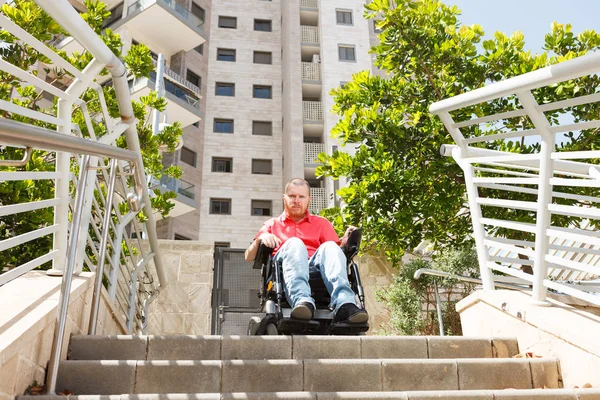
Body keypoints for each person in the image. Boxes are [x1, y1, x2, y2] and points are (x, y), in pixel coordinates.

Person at [245, 178, 368, 324]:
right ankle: (302, 301)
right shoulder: (272, 224)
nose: (296, 200)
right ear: (284, 198)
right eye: (292, 196)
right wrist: (262, 238)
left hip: (316, 270)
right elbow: (249, 256)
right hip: (285, 271)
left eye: (301, 197)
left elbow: (334, 256)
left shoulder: (322, 223)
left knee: (330, 246)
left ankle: (346, 304)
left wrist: (344, 244)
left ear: (309, 199)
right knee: (295, 244)